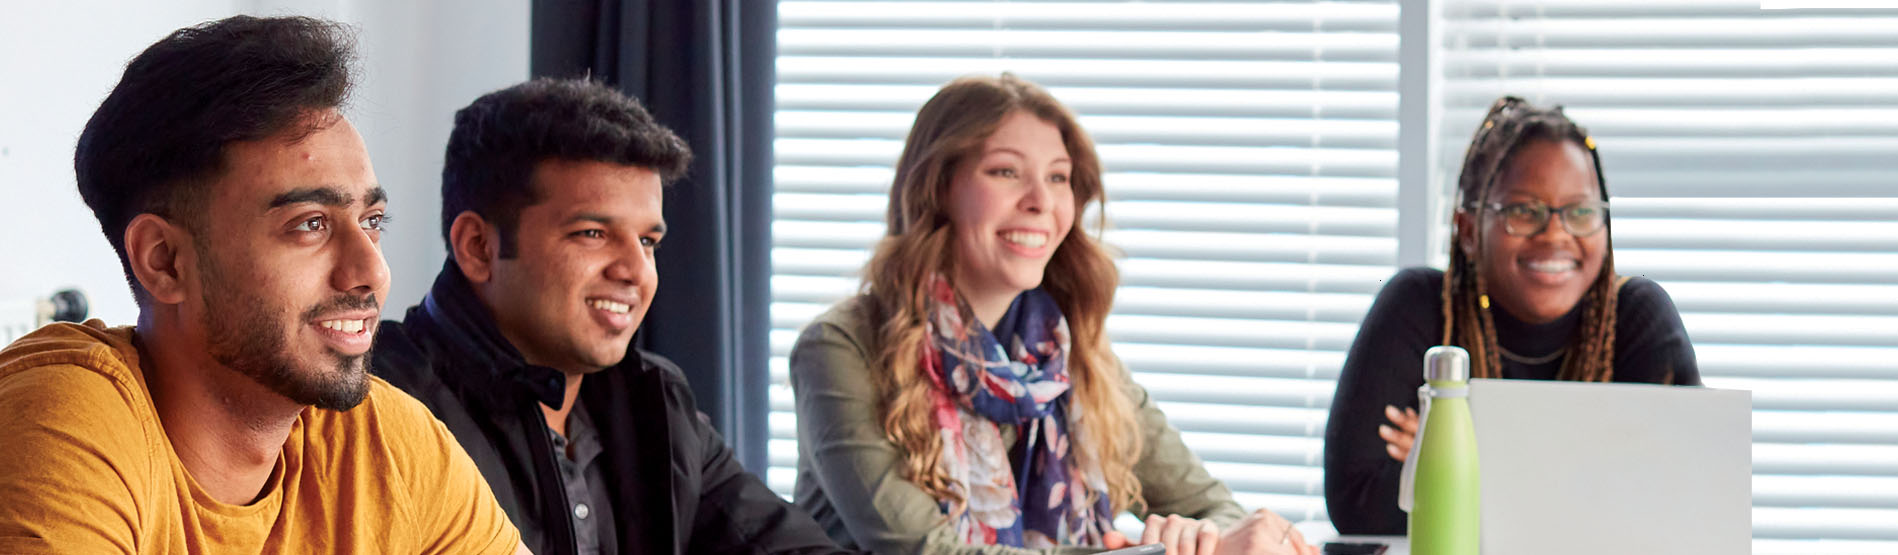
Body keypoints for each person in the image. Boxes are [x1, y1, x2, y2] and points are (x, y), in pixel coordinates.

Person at [0, 15, 526, 554]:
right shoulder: (63, 424)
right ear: (165, 261)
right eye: (310, 225)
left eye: (371, 222)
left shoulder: (388, 443)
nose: (371, 272)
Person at [789, 74, 1319, 555]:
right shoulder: (840, 348)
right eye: (1005, 172)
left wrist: (1198, 539)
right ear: (937, 189)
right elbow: (925, 552)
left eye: (1059, 177)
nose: (1041, 200)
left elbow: (1216, 509)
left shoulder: (1070, 355)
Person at [371, 77, 851, 555]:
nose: (636, 271)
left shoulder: (655, 402)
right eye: (592, 233)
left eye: (648, 241)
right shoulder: (375, 408)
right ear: (479, 247)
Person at [1323, 96, 1701, 534]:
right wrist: (1585, 473)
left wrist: (1450, 467)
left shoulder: (1638, 316)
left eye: (1580, 212)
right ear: (1467, 231)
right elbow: (1358, 502)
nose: (1556, 233)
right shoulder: (1418, 306)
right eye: (1523, 211)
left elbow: (1677, 503)